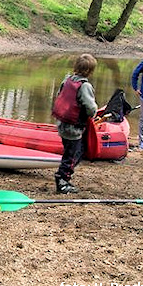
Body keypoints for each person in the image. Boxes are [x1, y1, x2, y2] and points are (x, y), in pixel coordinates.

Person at [51, 53, 98, 194]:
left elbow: (61, 95)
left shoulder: (67, 80)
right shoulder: (85, 86)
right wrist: (93, 114)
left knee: (72, 151)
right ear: (90, 71)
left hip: (62, 123)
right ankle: (62, 180)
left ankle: (63, 176)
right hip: (73, 127)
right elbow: (91, 108)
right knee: (73, 154)